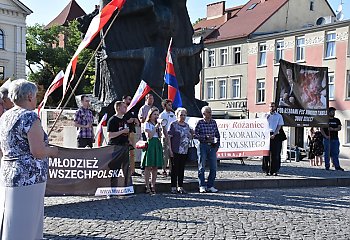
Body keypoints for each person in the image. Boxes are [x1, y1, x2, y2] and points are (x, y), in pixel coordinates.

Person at [0, 79, 58, 240]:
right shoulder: (29, 117)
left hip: (8, 173)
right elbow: (38, 151)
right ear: (30, 96)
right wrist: (53, 151)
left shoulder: (5, 117)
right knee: (27, 223)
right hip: (29, 177)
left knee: (12, 220)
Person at [195, 106, 220, 193]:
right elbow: (195, 134)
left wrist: (217, 145)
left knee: (213, 167)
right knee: (202, 166)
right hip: (203, 145)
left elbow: (217, 134)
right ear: (203, 114)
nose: (210, 114)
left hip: (212, 146)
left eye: (210, 112)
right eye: (208, 112)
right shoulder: (200, 123)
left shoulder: (214, 122)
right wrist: (205, 137)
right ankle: (202, 185)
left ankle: (210, 185)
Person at [168, 107, 193, 194]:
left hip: (184, 150)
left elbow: (189, 136)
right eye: (181, 115)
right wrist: (170, 150)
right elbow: (169, 138)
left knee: (181, 169)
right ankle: (173, 187)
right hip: (175, 149)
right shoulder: (173, 125)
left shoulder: (187, 126)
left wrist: (192, 134)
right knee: (175, 169)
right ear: (177, 115)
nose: (183, 117)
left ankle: (180, 186)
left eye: (184, 115)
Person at [142, 107, 165, 194]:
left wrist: (161, 128)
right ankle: (147, 185)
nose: (156, 116)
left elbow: (159, 136)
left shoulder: (157, 124)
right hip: (150, 144)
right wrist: (155, 127)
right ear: (150, 115)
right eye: (154, 114)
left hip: (157, 143)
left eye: (157, 114)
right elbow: (149, 136)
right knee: (148, 166)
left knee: (155, 167)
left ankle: (153, 185)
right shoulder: (147, 124)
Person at [262, 102, 284, 176]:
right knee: (266, 154)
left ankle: (274, 170)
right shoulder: (265, 115)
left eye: (273, 106)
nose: (271, 108)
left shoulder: (279, 116)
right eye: (270, 106)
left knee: (275, 154)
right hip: (267, 135)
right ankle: (266, 170)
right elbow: (261, 125)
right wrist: (266, 119)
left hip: (275, 135)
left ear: (275, 107)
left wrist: (274, 134)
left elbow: (279, 126)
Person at [122, 95, 141, 176]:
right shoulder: (122, 109)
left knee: (132, 152)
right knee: (124, 152)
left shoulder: (132, 108)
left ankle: (132, 170)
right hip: (124, 133)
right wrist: (127, 120)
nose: (130, 100)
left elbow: (135, 119)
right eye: (129, 99)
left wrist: (136, 120)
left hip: (132, 131)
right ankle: (124, 170)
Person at [159, 99, 176, 177]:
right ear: (165, 106)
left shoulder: (173, 114)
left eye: (171, 105)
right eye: (169, 105)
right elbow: (161, 126)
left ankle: (171, 169)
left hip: (172, 136)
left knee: (171, 154)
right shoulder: (162, 115)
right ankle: (164, 169)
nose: (170, 106)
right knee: (164, 153)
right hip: (165, 136)